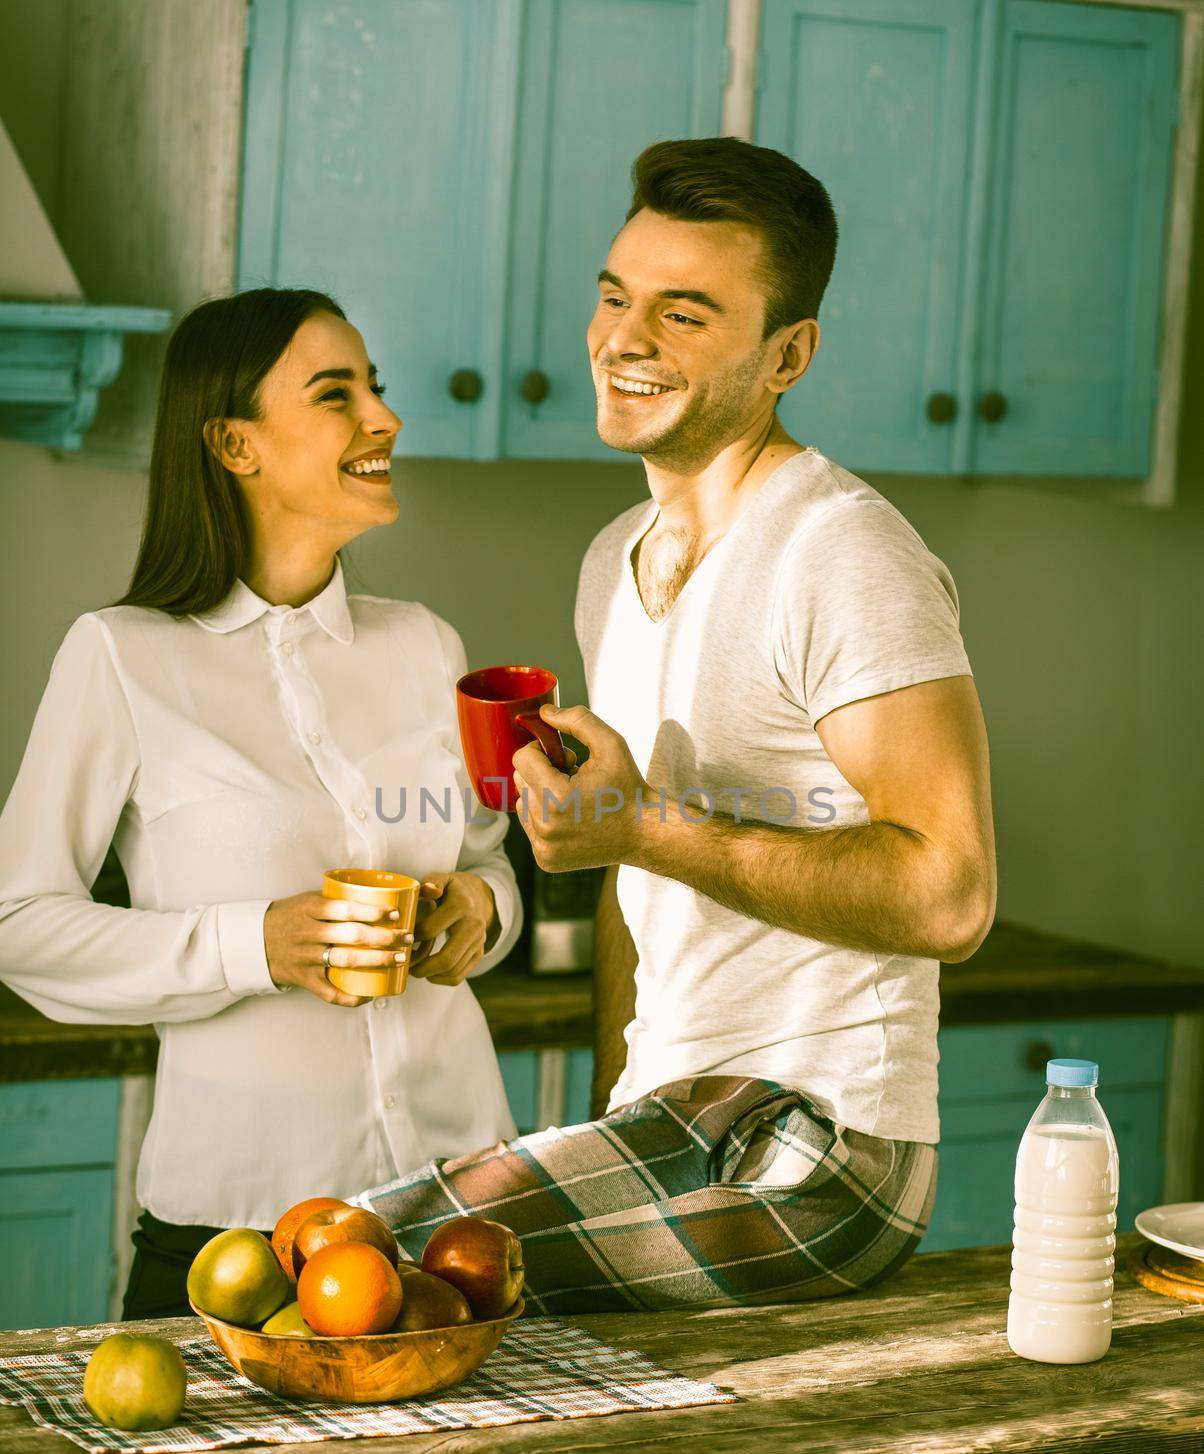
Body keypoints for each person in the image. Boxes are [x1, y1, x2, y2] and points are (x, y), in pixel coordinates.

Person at [355, 139, 996, 1314]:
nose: (624, 339)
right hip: (679, 1116)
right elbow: (628, 882)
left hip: (826, 1143)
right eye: (615, 295)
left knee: (363, 1258)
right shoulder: (617, 562)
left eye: (685, 314)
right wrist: (613, 1112)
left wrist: (644, 827)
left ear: (787, 354)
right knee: (377, 1275)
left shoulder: (840, 551)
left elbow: (950, 893)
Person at [0, 288, 523, 1318]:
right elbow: (18, 924)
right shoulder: (122, 656)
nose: (384, 418)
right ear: (234, 444)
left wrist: (483, 911)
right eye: (338, 394)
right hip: (239, 1242)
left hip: (456, 1223)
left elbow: (488, 858)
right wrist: (258, 946)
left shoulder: (428, 646)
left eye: (376, 387)